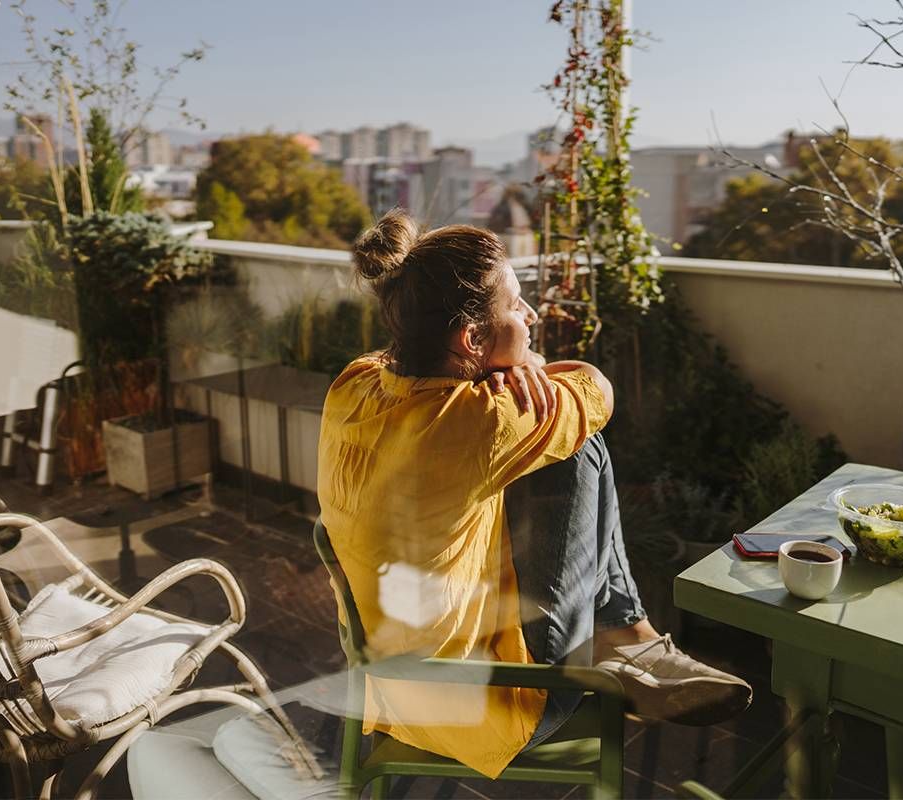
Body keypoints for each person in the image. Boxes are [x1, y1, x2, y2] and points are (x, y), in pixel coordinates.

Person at [316, 209, 751, 779]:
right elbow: (598, 390)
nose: (532, 314)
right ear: (472, 337)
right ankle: (627, 637)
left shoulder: (355, 382)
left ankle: (627, 639)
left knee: (540, 450)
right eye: (517, 305)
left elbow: (452, 378)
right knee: (577, 448)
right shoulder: (481, 423)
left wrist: (516, 362)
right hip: (491, 704)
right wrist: (528, 370)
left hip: (391, 689)